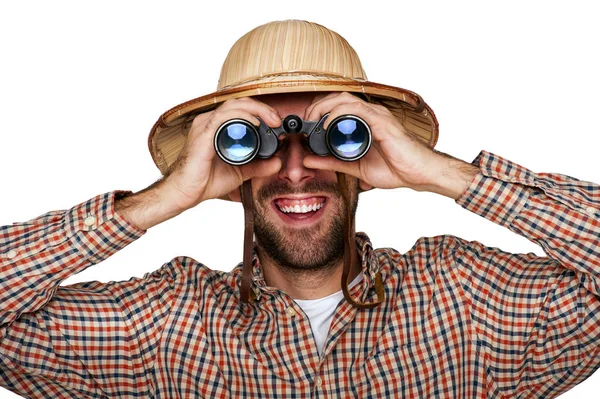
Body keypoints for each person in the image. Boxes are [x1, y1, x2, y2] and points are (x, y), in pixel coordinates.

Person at [1, 19, 599, 398]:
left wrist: (442, 174)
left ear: (372, 143)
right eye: (252, 141)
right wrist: (159, 201)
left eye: (330, 137)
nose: (293, 170)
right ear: (224, 167)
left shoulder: (467, 300)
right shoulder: (162, 325)